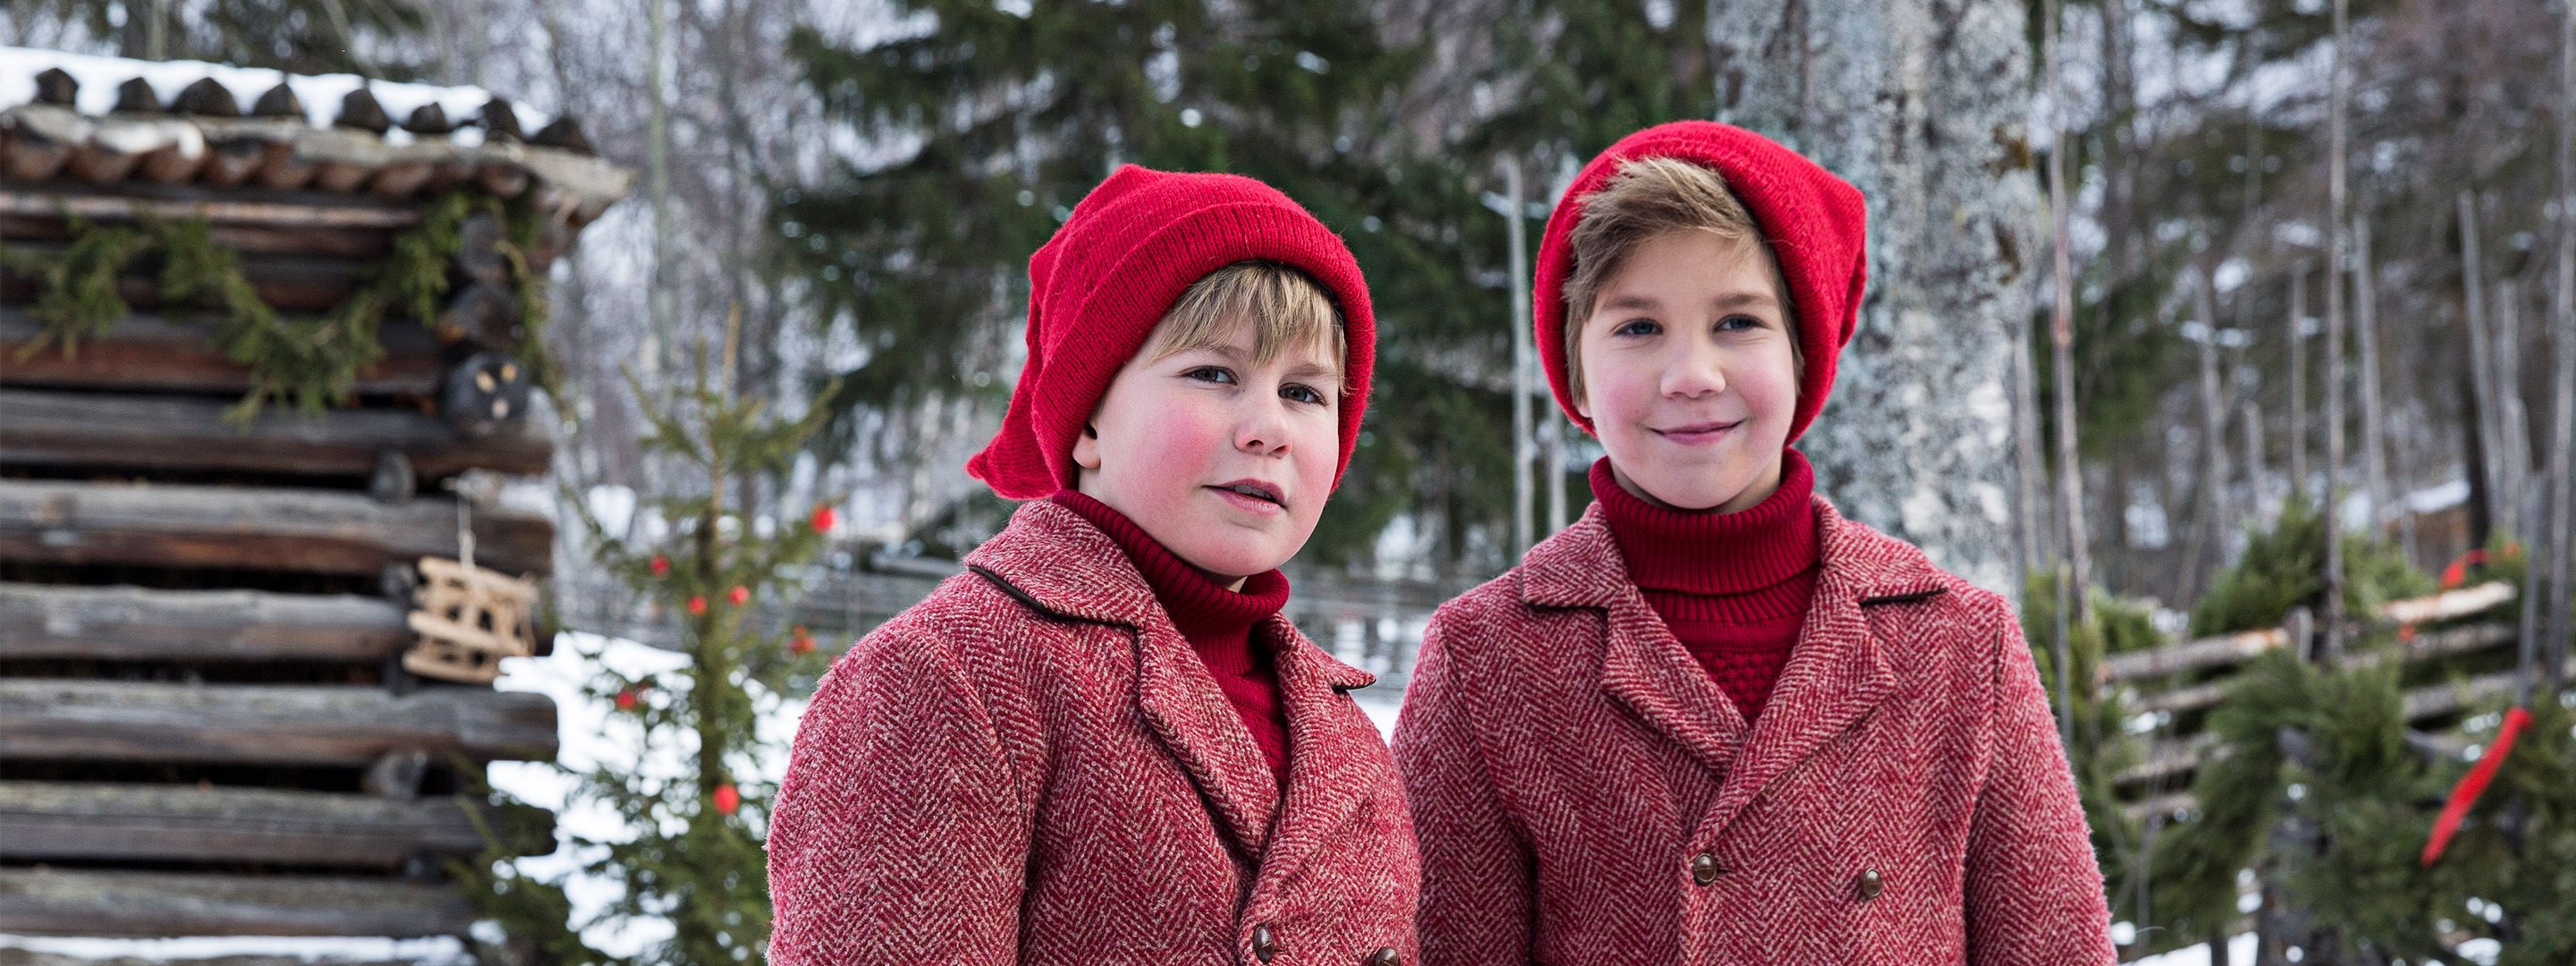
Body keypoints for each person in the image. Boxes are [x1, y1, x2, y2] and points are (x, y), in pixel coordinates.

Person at [1394, 121, 2116, 964]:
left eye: (1738, 321)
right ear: (1574, 366)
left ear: (1806, 354)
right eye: (1637, 328)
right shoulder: (1489, 659)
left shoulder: (1958, 644)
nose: (1692, 374)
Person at [769, 165, 1417, 966]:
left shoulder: (1344, 734)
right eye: (1213, 374)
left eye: (1306, 393)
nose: (1269, 428)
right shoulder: (944, 679)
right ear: (1088, 423)